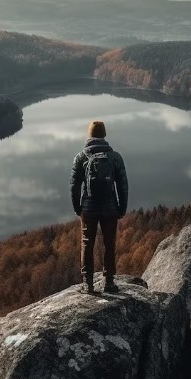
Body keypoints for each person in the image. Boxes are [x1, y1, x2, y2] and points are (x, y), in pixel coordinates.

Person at [70, 120, 129, 294]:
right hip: (110, 208)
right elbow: (123, 185)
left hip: (89, 208)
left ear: (90, 135)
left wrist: (78, 208)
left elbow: (74, 186)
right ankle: (109, 282)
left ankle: (87, 283)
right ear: (104, 135)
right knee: (109, 244)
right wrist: (121, 208)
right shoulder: (115, 157)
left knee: (87, 243)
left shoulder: (81, 157)